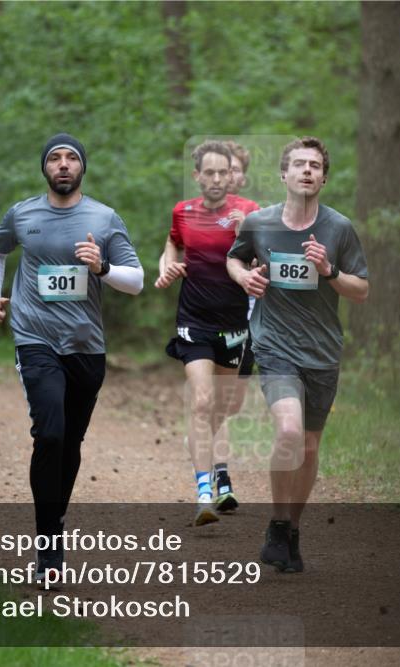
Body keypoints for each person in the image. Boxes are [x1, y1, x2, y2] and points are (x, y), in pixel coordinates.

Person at [0, 132, 143, 581]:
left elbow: (136, 281)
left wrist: (102, 267)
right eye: (55, 158)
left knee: (70, 443)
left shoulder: (105, 219)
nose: (64, 164)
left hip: (87, 345)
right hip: (34, 338)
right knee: (49, 434)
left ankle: (55, 522)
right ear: (45, 169)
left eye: (72, 157)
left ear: (82, 168)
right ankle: (48, 544)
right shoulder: (22, 214)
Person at [226, 136, 368, 572]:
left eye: (315, 166)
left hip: (322, 350)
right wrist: (244, 279)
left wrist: (329, 271)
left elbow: (361, 290)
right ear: (283, 174)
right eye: (298, 164)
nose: (307, 171)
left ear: (324, 177)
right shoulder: (259, 223)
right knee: (288, 432)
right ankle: (275, 522)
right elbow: (235, 259)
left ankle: (291, 530)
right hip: (274, 343)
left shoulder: (339, 228)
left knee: (308, 445)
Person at [155, 140, 259, 525]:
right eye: (209, 172)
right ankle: (204, 493)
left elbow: (265, 253)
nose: (217, 179)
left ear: (232, 174)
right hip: (193, 322)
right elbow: (172, 242)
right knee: (201, 401)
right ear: (196, 176)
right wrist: (167, 266)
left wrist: (250, 240)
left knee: (222, 409)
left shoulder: (249, 211)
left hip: (233, 325)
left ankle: (209, 459)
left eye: (223, 172)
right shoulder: (183, 212)